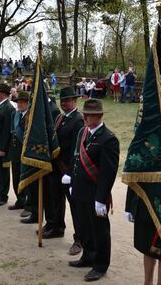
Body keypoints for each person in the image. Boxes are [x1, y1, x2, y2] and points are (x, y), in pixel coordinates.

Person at [69, 99, 120, 282]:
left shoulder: (109, 139)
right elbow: (76, 159)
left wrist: (101, 198)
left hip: (96, 193)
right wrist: (72, 179)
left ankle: (100, 265)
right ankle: (88, 256)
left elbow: (108, 172)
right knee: (84, 226)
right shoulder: (83, 133)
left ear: (99, 116)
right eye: (84, 114)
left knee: (99, 230)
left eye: (88, 115)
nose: (85, 118)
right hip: (80, 190)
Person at [51, 87, 85, 254]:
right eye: (62, 100)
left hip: (69, 170)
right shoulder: (60, 117)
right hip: (56, 167)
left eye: (68, 100)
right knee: (56, 200)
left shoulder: (78, 120)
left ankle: (79, 239)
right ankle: (56, 227)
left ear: (75, 101)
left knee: (76, 207)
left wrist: (70, 172)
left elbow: (76, 150)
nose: (64, 103)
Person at [8, 91, 29, 212]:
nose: (20, 104)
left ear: (27, 103)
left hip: (25, 151)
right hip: (15, 151)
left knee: (25, 177)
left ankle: (27, 203)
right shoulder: (15, 115)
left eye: (22, 102)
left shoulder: (30, 116)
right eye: (18, 102)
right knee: (16, 177)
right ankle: (19, 200)